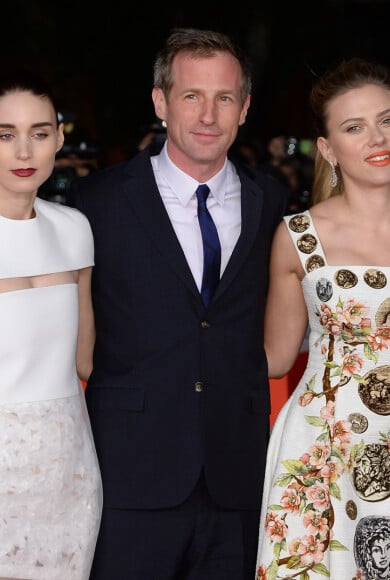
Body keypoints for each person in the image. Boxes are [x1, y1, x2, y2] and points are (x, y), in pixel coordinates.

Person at [70, 28, 288, 580]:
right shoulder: (98, 202)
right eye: (192, 95)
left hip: (237, 473)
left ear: (244, 109)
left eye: (224, 98)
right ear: (161, 102)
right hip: (129, 473)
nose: (208, 114)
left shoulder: (273, 203)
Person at [255, 57, 390, 579]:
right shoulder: (299, 237)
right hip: (319, 450)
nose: (376, 137)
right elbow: (276, 357)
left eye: (386, 119)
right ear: (327, 149)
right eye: (354, 127)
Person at [0, 70, 102, 579]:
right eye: (5, 134)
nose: (24, 152)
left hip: (68, 471)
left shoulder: (74, 229)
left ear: (59, 139)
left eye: (39, 133)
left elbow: (86, 360)